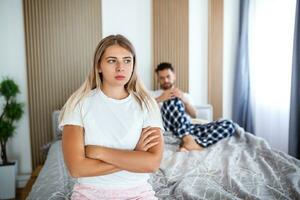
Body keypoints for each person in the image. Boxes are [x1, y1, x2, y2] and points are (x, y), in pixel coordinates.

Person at [59, 34, 164, 200]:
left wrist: (99, 152)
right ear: (99, 66)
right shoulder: (78, 103)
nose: (121, 67)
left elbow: (152, 163)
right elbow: (77, 168)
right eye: (112, 60)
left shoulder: (147, 104)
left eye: (127, 60)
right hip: (89, 194)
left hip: (138, 193)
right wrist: (134, 156)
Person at [152, 62, 236, 152]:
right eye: (162, 78)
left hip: (189, 128)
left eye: (168, 76)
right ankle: (188, 139)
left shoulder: (185, 95)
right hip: (169, 132)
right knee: (172, 99)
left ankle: (195, 143)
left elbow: (195, 115)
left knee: (229, 124)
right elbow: (143, 112)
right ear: (158, 79)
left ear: (174, 76)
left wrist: (183, 99)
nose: (166, 80)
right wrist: (161, 99)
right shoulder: (152, 96)